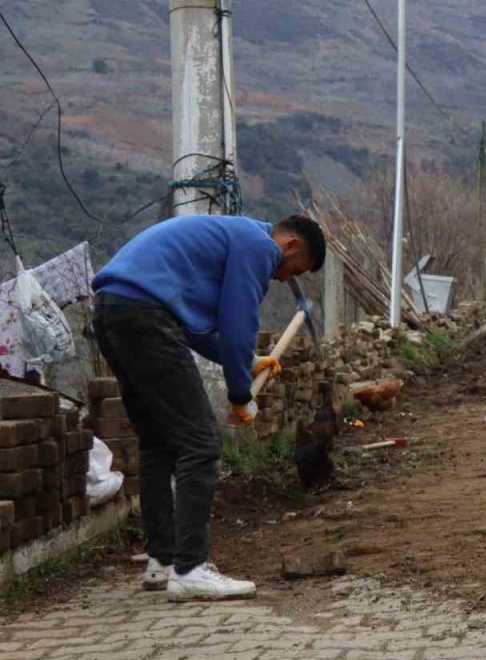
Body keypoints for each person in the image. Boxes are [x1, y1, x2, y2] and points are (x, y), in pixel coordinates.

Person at [91, 214, 325, 602]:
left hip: (113, 309)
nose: (283, 278)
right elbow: (237, 323)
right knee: (201, 442)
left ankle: (164, 560)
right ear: (290, 245)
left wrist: (248, 362)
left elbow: (197, 331)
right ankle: (190, 570)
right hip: (147, 315)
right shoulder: (259, 246)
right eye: (293, 270)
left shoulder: (234, 235)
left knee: (159, 444)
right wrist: (241, 394)